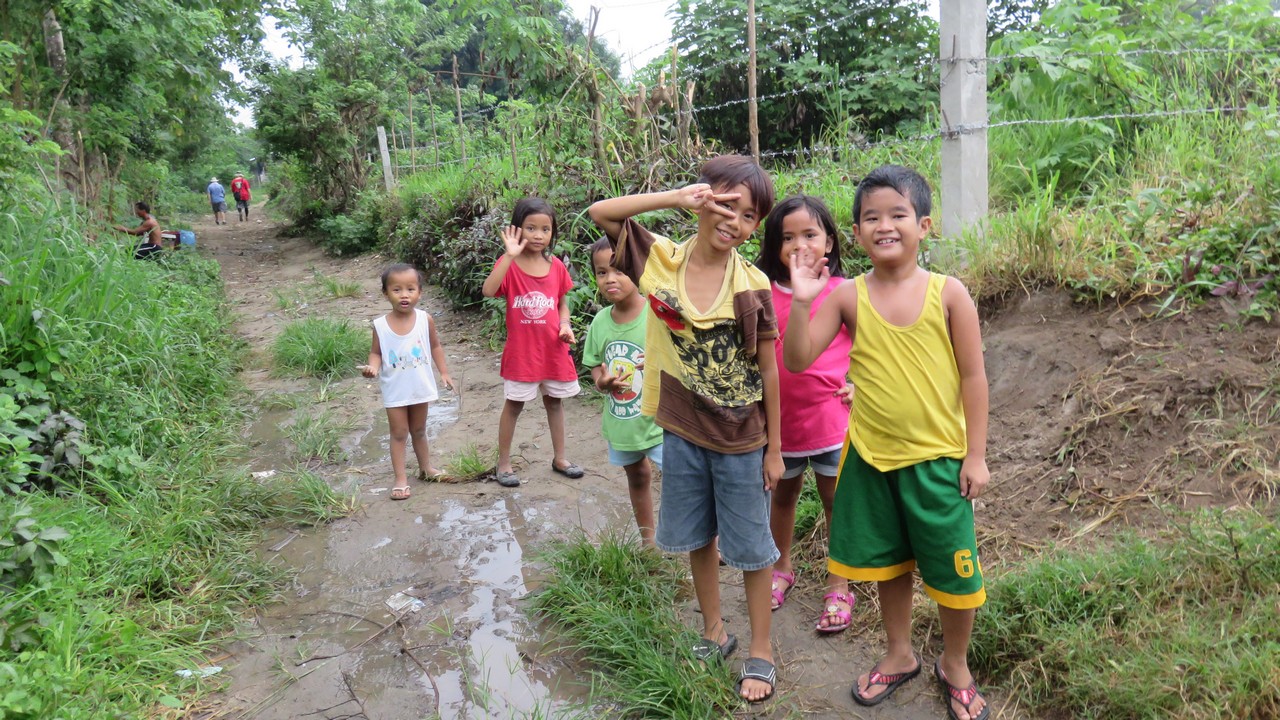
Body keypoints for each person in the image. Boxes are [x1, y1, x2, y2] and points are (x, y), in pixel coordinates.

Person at [783, 165, 990, 720]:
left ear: (924, 225)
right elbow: (797, 360)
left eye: (898, 214)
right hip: (871, 461)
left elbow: (974, 377)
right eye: (871, 217)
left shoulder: (949, 294)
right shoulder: (848, 296)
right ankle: (899, 654)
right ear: (855, 233)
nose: (885, 226)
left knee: (955, 572)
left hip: (940, 464)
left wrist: (975, 455)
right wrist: (802, 301)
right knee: (889, 565)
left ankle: (955, 664)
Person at [588, 154, 782, 704]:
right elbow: (603, 213)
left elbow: (769, 370)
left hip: (741, 437)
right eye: (726, 204)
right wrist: (674, 197)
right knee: (698, 536)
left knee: (752, 547)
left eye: (749, 216)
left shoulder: (752, 285)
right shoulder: (660, 261)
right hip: (681, 430)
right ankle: (714, 632)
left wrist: (775, 450)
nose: (735, 221)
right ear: (703, 198)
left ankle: (761, 648)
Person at [754, 195, 857, 632]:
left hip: (832, 419)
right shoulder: (762, 292)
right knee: (783, 496)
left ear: (829, 242)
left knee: (836, 501)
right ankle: (781, 567)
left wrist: (858, 383)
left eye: (810, 235)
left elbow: (870, 345)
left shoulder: (842, 292)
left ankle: (839, 583)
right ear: (774, 246)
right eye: (788, 237)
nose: (799, 245)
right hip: (782, 424)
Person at [481, 197, 584, 488]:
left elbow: (562, 303)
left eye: (545, 229)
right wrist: (509, 256)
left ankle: (560, 458)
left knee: (555, 403)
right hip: (522, 353)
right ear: (517, 229)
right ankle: (504, 463)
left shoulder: (556, 266)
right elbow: (488, 290)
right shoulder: (509, 265)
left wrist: (565, 325)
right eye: (531, 228)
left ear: (553, 232)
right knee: (514, 405)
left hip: (553, 349)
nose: (538, 235)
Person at [582, 237, 663, 547]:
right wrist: (602, 382)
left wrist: (657, 363)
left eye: (619, 270)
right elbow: (594, 364)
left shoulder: (656, 314)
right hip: (623, 421)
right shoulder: (600, 322)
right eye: (602, 272)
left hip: (660, 422)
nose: (610, 279)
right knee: (637, 476)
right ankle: (648, 541)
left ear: (638, 269)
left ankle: (706, 539)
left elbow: (678, 356)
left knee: (685, 480)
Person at [360, 264, 453, 500]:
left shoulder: (425, 319)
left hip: (419, 385)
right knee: (399, 433)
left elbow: (435, 346)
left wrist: (443, 372)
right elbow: (376, 352)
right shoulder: (380, 325)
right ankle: (401, 479)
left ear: (420, 292)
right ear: (385, 293)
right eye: (397, 290)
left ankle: (426, 468)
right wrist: (373, 367)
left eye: (410, 289)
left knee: (419, 430)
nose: (404, 295)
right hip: (395, 389)